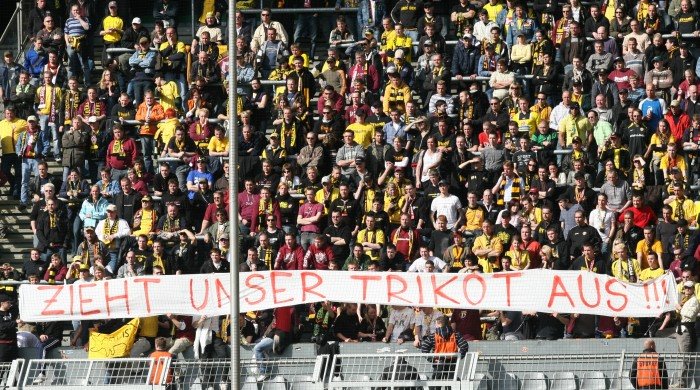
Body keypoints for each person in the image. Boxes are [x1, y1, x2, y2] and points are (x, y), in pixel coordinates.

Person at [420, 315, 469, 382]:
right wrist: (459, 356)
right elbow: (464, 345)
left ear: (438, 324)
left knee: (436, 383)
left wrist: (432, 359)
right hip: (452, 362)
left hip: (438, 363)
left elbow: (424, 347)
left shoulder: (433, 336)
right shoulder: (456, 334)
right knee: (451, 382)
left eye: (436, 324)